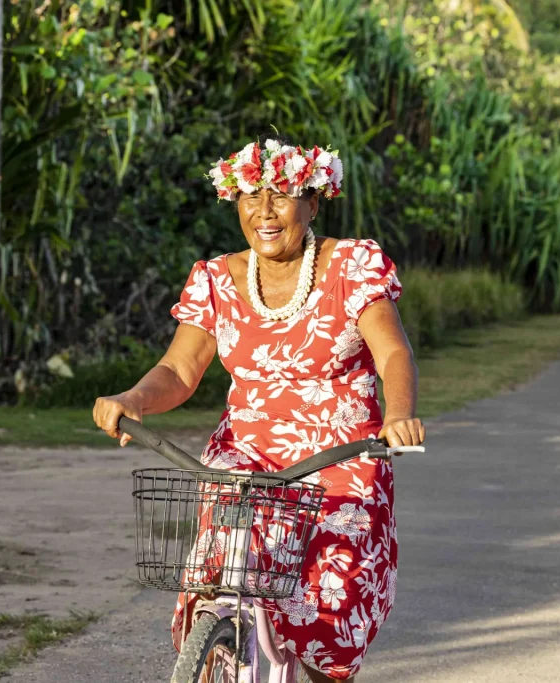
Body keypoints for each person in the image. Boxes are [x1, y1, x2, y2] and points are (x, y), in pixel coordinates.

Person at [93, 135, 425, 682]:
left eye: (281, 195)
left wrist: (399, 414)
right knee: (220, 572)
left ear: (313, 202)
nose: (264, 210)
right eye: (250, 196)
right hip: (247, 452)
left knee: (326, 610)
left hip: (339, 457)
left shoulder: (353, 266)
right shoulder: (216, 279)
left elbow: (392, 353)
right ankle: (213, 650)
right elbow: (179, 371)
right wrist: (131, 400)